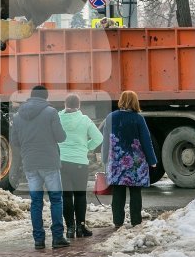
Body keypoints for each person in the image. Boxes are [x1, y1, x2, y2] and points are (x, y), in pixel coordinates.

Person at [10, 85, 69, 249]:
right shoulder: (51, 112)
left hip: (30, 163)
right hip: (49, 162)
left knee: (36, 202)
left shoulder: (18, 115)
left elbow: (14, 141)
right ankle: (57, 238)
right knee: (56, 200)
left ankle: (38, 240)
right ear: (46, 97)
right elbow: (61, 137)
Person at [102, 91, 158, 227]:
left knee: (118, 192)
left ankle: (118, 222)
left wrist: (104, 158)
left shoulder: (111, 117)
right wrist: (152, 160)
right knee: (135, 192)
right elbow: (146, 140)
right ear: (135, 102)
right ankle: (136, 221)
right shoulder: (138, 118)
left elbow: (106, 140)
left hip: (116, 161)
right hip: (136, 162)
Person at [58, 94, 103, 239]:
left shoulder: (58, 119)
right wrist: (86, 147)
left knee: (66, 196)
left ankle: (69, 228)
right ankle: (80, 227)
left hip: (62, 162)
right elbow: (99, 138)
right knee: (80, 195)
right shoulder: (85, 120)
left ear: (65, 105)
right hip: (79, 163)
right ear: (79, 105)